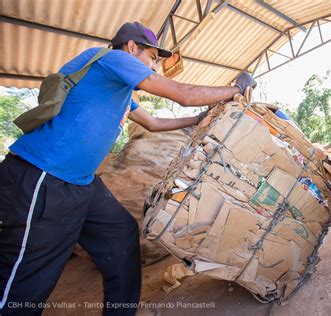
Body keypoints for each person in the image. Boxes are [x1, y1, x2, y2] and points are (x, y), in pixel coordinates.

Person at [0, 21, 257, 315]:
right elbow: (182, 94)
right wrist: (236, 88)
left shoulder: (118, 89)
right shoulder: (112, 59)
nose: (154, 67)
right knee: (26, 279)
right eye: (152, 58)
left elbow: (154, 123)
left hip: (81, 182)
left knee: (120, 236)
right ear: (132, 47)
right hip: (42, 175)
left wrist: (198, 120)